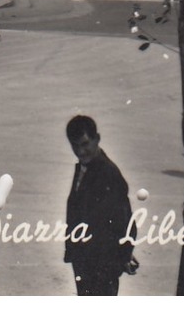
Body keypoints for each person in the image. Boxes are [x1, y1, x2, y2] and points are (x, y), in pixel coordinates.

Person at [64, 115, 137, 295]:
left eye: (85, 144)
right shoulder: (85, 167)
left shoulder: (108, 174)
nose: (80, 151)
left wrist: (124, 254)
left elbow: (125, 220)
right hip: (84, 258)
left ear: (97, 139)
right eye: (75, 146)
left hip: (101, 263)